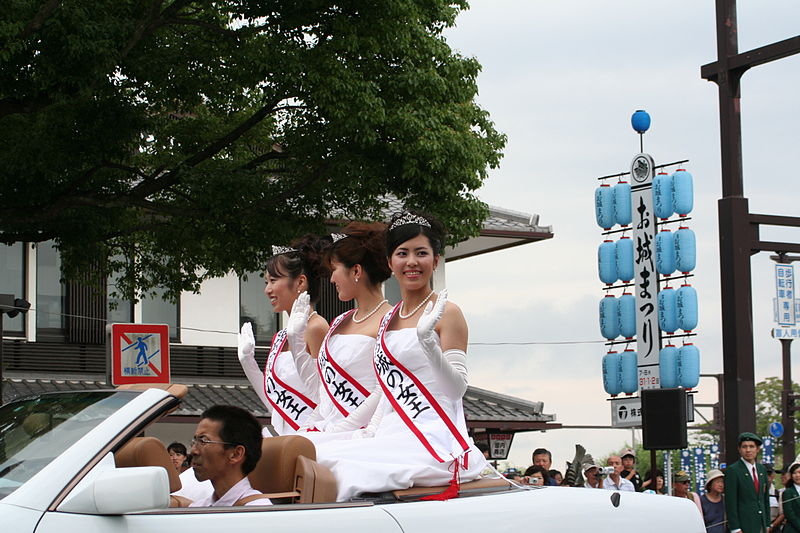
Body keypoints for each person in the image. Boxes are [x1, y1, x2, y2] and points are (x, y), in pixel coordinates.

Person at [313, 211, 487, 501]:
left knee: (344, 471)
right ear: (391, 262)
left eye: (421, 253)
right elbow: (385, 390)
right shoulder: (387, 319)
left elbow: (457, 389)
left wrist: (429, 346)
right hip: (390, 431)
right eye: (402, 253)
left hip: (431, 434)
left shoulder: (448, 312)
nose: (411, 262)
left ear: (436, 260)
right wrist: (360, 430)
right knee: (317, 453)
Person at [298, 223, 392, 432]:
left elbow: (384, 389)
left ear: (356, 270)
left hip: (366, 432)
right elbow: (324, 390)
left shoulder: (391, 320)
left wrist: (341, 430)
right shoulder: (339, 321)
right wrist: (307, 429)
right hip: (327, 428)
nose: (331, 279)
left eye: (334, 270)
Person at [238, 235, 331, 435]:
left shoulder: (316, 328)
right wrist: (248, 362)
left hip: (314, 436)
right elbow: (275, 405)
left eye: (273, 280)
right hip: (285, 433)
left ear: (300, 282)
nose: (267, 290)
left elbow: (324, 397)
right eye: (266, 282)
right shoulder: (280, 337)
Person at [174, 405, 271, 507]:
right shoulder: (200, 508)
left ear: (235, 454)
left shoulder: (257, 511)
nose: (193, 451)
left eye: (203, 441)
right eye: (195, 441)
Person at [725, 432, 770, 533]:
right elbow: (730, 502)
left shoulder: (762, 469)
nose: (748, 450)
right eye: (744, 447)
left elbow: (765, 498)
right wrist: (735, 527)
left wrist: (767, 523)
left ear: (757, 449)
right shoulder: (733, 470)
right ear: (739, 449)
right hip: (744, 525)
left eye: (751, 446)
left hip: (761, 524)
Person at [700, 469, 726, 533]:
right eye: (717, 482)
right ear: (710, 484)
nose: (721, 485)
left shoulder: (725, 500)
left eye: (722, 482)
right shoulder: (701, 501)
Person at [779, 463, 800, 533]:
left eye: (799, 472)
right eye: (794, 473)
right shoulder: (788, 492)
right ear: (791, 475)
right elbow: (789, 513)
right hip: (792, 529)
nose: (797, 475)